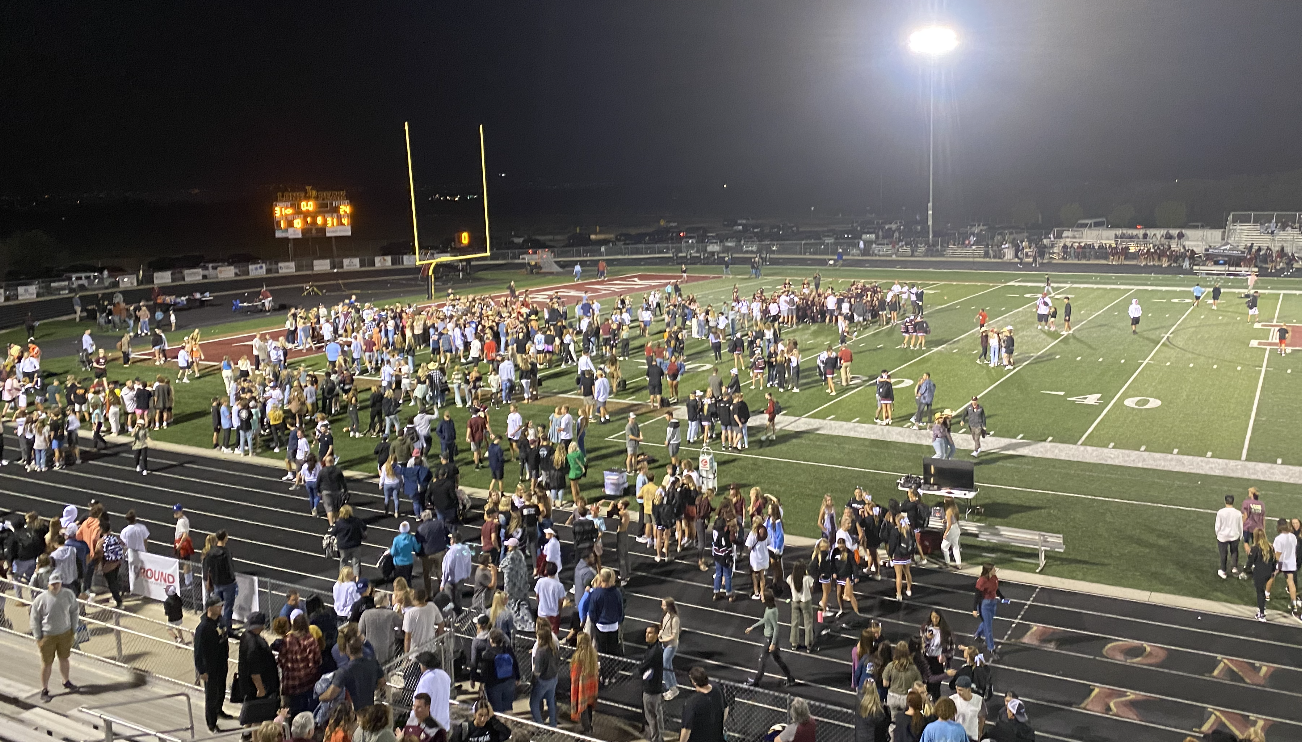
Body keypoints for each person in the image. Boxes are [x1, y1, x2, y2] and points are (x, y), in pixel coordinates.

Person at [30, 574, 80, 702]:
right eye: (53, 584)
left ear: (61, 583)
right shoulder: (41, 599)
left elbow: (74, 610)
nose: (55, 586)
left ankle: (66, 681)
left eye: (57, 583)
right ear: (48, 585)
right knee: (47, 663)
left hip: (64, 633)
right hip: (47, 635)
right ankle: (44, 689)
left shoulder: (68, 595)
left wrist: (73, 628)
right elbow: (34, 618)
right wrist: (38, 637)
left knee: (64, 658)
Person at [744, 591, 797, 688]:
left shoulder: (771, 612)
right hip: (771, 639)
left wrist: (772, 643)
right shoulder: (770, 608)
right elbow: (765, 619)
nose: (761, 598)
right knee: (778, 659)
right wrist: (753, 627)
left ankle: (756, 681)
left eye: (763, 597)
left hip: (770, 639)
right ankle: (790, 678)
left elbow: (776, 628)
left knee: (762, 660)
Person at [321, 635, 385, 713]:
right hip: (369, 710)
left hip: (353, 714)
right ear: (361, 648)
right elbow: (382, 682)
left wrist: (319, 698)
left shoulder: (344, 671)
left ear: (348, 650)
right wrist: (371, 688)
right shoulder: (373, 662)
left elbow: (330, 695)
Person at [237, 612, 280, 727]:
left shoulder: (246, 636)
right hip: (258, 685)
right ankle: (254, 738)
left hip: (248, 684)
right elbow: (254, 670)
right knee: (258, 715)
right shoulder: (254, 645)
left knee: (251, 712)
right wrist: (260, 688)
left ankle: (246, 734)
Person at [474, 628, 518, 713]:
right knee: (508, 707)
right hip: (510, 681)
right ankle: (508, 725)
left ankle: (500, 725)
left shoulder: (488, 654)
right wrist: (517, 677)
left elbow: (485, 672)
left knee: (497, 710)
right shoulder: (508, 649)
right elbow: (515, 663)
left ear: (491, 640)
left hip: (494, 684)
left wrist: (481, 686)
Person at [679, 666, 726, 742]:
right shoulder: (717, 689)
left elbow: (686, 729)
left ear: (694, 682)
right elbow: (726, 708)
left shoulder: (692, 702)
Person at [407, 652, 451, 731]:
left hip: (428, 729)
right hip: (444, 725)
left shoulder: (426, 680)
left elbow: (419, 703)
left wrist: (411, 724)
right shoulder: (445, 676)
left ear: (424, 666)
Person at [203, 529, 238, 630]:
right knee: (227, 607)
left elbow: (208, 569)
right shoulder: (226, 552)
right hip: (228, 584)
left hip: (217, 584)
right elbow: (230, 568)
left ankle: (217, 625)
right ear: (225, 538)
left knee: (216, 606)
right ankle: (227, 628)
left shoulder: (210, 553)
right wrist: (233, 579)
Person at [972, 563, 1008, 656]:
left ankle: (978, 635)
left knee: (987, 622)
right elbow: (977, 595)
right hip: (985, 604)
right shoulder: (982, 581)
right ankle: (991, 648)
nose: (995, 569)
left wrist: (1002, 597)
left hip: (993, 602)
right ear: (988, 570)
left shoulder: (994, 578)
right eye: (993, 568)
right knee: (988, 628)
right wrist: (974, 609)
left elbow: (996, 589)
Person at [1266, 518, 1300, 616]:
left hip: (1281, 563)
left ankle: (1266, 594)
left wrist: (1276, 563)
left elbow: (1278, 554)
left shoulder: (1279, 538)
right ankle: (1294, 605)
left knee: (1272, 576)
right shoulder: (1293, 536)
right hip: (1291, 562)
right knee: (1291, 583)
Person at [530, 623, 562, 727]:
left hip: (543, 681)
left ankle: (540, 725)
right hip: (553, 679)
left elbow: (537, 671)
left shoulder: (540, 651)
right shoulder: (554, 648)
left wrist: (533, 680)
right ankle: (553, 724)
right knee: (551, 701)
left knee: (534, 703)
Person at [569, 633, 600, 735]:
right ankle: (589, 726)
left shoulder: (578, 656)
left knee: (583, 711)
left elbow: (574, 675)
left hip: (582, 688)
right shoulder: (592, 654)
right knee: (589, 707)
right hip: (591, 686)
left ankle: (587, 731)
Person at [640, 626, 666, 742]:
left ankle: (656, 739)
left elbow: (642, 667)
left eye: (650, 633)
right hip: (656, 687)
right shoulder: (656, 649)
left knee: (651, 717)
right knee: (657, 715)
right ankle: (660, 737)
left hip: (651, 689)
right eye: (646, 632)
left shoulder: (654, 652)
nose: (647, 635)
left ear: (656, 635)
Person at [1245, 528, 1276, 621]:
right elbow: (1274, 561)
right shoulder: (1270, 547)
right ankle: (1262, 608)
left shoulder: (1255, 548)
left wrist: (1246, 570)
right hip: (1268, 572)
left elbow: (1250, 561)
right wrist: (1272, 572)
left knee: (1260, 592)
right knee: (1262, 592)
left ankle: (1261, 614)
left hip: (1259, 573)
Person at [1215, 494, 1244, 579]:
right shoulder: (1238, 513)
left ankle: (1223, 571)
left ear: (1225, 501)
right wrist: (1240, 535)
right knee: (1234, 552)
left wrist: (1218, 534)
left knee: (1223, 554)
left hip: (1223, 536)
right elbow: (1240, 526)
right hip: (1234, 536)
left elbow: (1218, 525)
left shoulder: (1220, 512)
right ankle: (1234, 567)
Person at [949, 675, 986, 740]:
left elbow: (982, 718)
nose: (958, 692)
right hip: (957, 736)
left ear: (968, 689)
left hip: (972, 736)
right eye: (957, 689)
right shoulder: (952, 699)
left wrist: (980, 733)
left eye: (960, 690)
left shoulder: (979, 701)